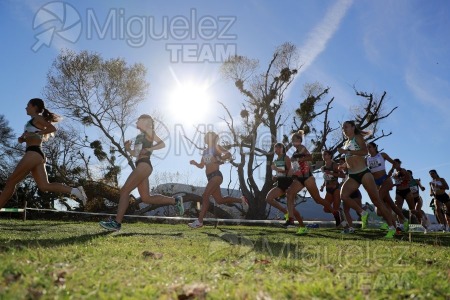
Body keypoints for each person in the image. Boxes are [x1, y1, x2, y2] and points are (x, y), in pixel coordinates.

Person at [100, 114, 184, 231]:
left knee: (124, 190)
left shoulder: (149, 131)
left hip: (144, 165)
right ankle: (175, 200)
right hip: (141, 165)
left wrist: (149, 149)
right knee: (146, 198)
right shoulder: (139, 136)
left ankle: (117, 223)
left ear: (145, 121)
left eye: (138, 119)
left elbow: (162, 144)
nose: (136, 121)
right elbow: (136, 154)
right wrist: (128, 148)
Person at [0, 98, 87, 210]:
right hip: (36, 154)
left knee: (11, 182)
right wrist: (23, 138)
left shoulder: (38, 118)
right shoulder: (31, 121)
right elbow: (30, 135)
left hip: (33, 153)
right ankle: (75, 191)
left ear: (34, 107)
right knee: (44, 186)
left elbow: (52, 128)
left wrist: (38, 133)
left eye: (28, 105)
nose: (26, 107)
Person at [337, 121, 397, 238]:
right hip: (352, 175)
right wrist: (343, 165)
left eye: (346, 127)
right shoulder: (346, 142)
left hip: (364, 173)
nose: (344, 129)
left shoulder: (357, 137)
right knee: (343, 196)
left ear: (353, 128)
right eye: (343, 128)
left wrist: (347, 152)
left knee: (377, 201)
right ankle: (363, 212)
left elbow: (364, 152)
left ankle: (392, 227)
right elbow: (351, 159)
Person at [188, 131, 248, 228]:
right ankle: (241, 200)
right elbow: (202, 166)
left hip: (216, 176)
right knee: (220, 200)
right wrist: (195, 163)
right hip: (210, 178)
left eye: (210, 137)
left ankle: (200, 221)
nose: (207, 138)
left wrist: (219, 160)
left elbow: (228, 154)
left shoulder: (217, 147)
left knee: (205, 195)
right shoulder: (205, 151)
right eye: (206, 137)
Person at [285, 130, 338, 235]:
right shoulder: (293, 154)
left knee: (317, 200)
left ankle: (335, 213)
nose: (293, 142)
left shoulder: (302, 148)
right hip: (300, 178)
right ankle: (290, 219)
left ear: (299, 140)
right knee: (290, 193)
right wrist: (292, 174)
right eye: (292, 140)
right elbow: (295, 168)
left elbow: (310, 157)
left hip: (307, 177)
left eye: (294, 140)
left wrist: (300, 158)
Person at [366, 142, 407, 232]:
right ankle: (404, 220)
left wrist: (391, 170)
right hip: (376, 182)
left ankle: (393, 227)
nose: (368, 149)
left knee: (378, 202)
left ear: (375, 147)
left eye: (370, 147)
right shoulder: (367, 159)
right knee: (390, 204)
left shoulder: (382, 155)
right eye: (367, 147)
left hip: (385, 180)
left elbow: (395, 163)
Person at [265, 143, 304, 224]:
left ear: (282, 149)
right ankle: (285, 212)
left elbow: (290, 172)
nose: (276, 150)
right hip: (280, 184)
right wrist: (276, 177)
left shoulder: (286, 158)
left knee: (292, 208)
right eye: (275, 148)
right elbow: (280, 173)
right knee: (268, 198)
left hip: (288, 184)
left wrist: (276, 169)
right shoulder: (275, 161)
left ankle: (300, 224)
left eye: (278, 148)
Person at [390, 159, 419, 231]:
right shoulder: (394, 172)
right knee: (398, 209)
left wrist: (400, 180)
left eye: (396, 163)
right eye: (393, 163)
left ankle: (423, 221)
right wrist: (392, 168)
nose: (394, 164)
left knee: (412, 210)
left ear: (399, 164)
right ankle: (401, 225)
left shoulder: (403, 170)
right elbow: (389, 175)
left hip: (406, 191)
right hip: (398, 191)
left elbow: (409, 178)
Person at [319, 150, 345, 226]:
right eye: (323, 154)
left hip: (336, 188)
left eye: (325, 154)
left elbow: (343, 175)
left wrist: (331, 173)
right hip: (328, 189)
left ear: (330, 156)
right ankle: (340, 211)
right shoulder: (323, 168)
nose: (323, 156)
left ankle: (339, 223)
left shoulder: (335, 165)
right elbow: (326, 178)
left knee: (335, 208)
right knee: (326, 209)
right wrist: (323, 186)